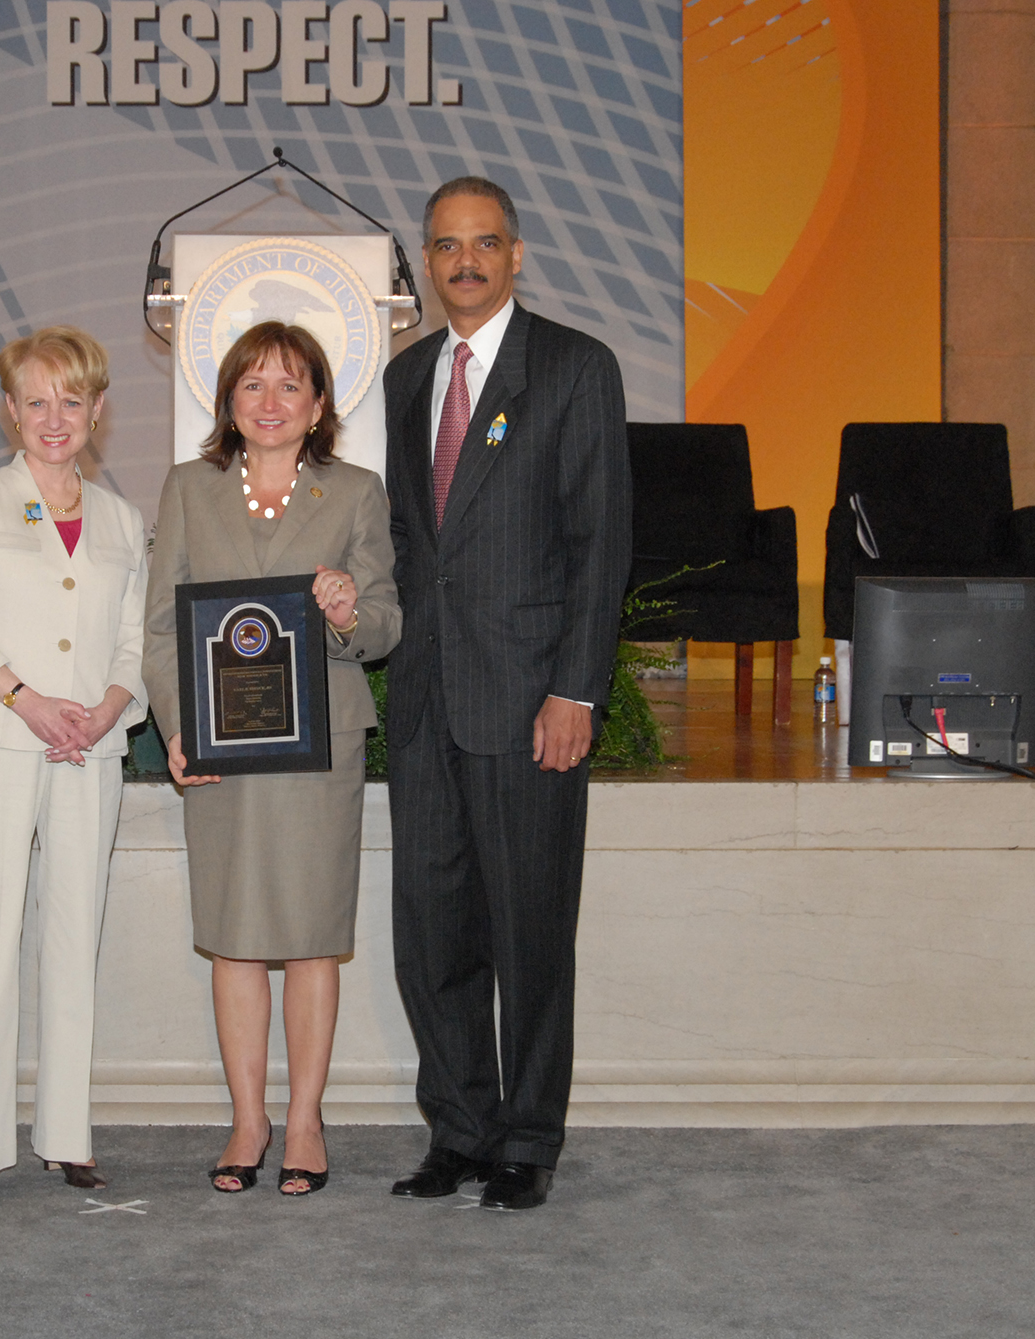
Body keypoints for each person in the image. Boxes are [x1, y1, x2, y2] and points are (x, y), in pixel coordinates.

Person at [383, 178, 631, 1211]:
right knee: (433, 933)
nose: (466, 262)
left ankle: (526, 1136)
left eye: (485, 243)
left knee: (528, 931)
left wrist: (576, 689)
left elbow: (600, 542)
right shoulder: (405, 377)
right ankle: (460, 1127)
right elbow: (409, 543)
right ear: (427, 260)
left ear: (516, 255)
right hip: (425, 703)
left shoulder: (573, 368)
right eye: (447, 245)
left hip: (531, 703)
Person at [143, 322, 401, 1197]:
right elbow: (161, 627)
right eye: (252, 384)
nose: (270, 401)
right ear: (227, 401)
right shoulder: (188, 487)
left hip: (317, 746)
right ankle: (248, 1119)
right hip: (221, 745)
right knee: (236, 937)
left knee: (312, 936)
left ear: (319, 404)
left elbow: (385, 625)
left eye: (290, 385)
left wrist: (345, 610)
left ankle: (305, 1121)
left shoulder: (357, 493)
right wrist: (177, 726)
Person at [0, 327, 149, 1208]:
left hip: (90, 744)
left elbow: (134, 639)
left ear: (99, 409)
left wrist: (109, 705)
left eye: (73, 400)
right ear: (9, 410)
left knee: (74, 934)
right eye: (37, 401)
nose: (56, 418)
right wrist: (26, 699)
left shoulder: (122, 519)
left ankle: (66, 1134)